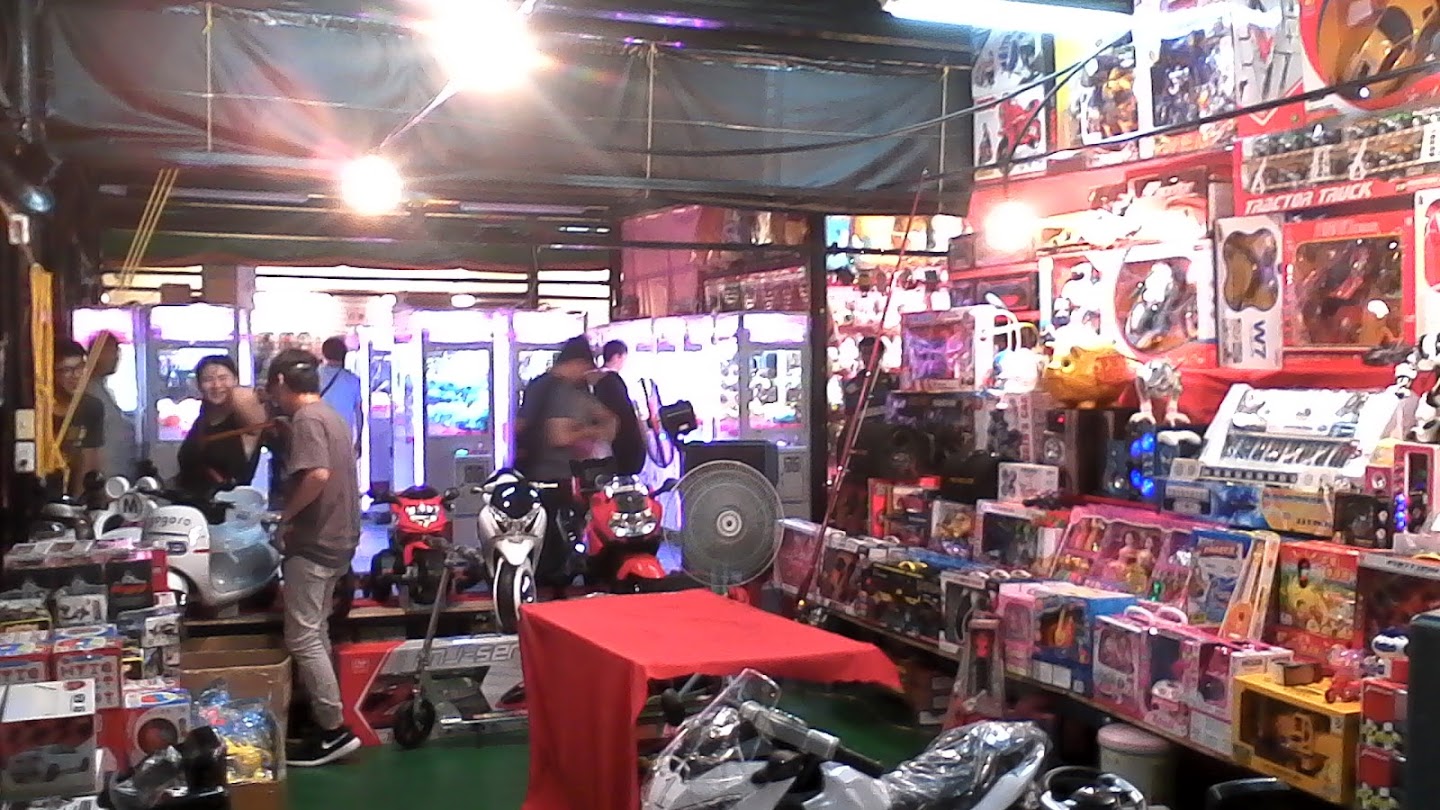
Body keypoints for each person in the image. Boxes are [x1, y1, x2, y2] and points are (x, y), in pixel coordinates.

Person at [267, 349, 362, 767]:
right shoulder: (330, 415)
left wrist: (286, 518)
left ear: (281, 383)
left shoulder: (307, 419)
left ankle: (333, 729)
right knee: (316, 630)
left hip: (315, 542)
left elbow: (317, 475)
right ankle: (329, 722)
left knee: (303, 636)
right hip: (341, 538)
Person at [513, 336, 617, 594]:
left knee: (547, 537)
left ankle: (544, 587)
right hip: (550, 475)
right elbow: (556, 435)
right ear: (576, 362)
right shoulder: (558, 389)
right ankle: (551, 590)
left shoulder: (541, 385)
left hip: (539, 473)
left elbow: (521, 425)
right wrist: (588, 431)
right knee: (553, 539)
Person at [176, 356, 268, 494]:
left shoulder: (246, 420)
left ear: (236, 380)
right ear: (199, 385)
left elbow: (242, 396)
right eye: (208, 379)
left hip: (227, 503)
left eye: (223, 378)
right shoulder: (203, 418)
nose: (216, 385)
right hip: (189, 500)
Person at [51, 340, 105, 496]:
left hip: (74, 490)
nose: (75, 376)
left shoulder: (91, 407)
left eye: (80, 368)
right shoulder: (38, 408)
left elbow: (89, 458)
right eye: (66, 370)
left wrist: (80, 502)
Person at [589, 340, 645, 476]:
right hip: (616, 447)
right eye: (623, 358)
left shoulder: (591, 379)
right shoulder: (611, 381)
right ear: (617, 357)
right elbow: (624, 416)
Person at [87, 332, 138, 480]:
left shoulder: (103, 390)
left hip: (118, 477)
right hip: (103, 479)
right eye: (111, 351)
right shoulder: (88, 393)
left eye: (118, 351)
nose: (117, 357)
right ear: (96, 353)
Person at [318, 337, 363, 459]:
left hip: (318, 435)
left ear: (323, 353)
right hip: (343, 438)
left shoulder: (314, 376)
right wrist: (359, 440)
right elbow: (359, 413)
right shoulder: (353, 380)